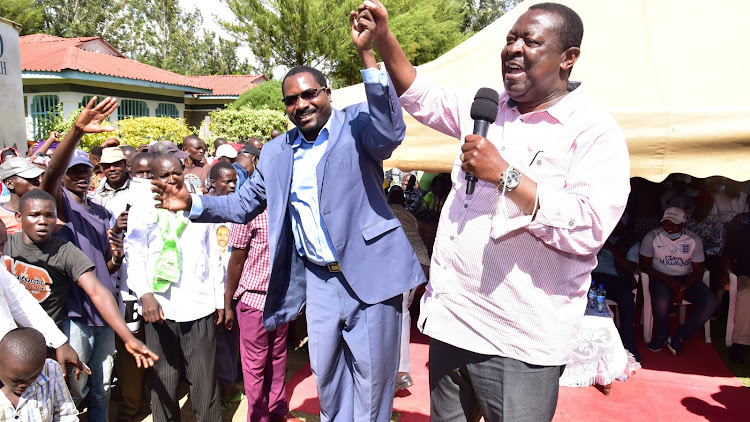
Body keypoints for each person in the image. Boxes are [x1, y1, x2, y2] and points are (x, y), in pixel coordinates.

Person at [358, 1, 630, 420]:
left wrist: (506, 175)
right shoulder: (488, 107)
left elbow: (588, 227)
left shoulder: (594, 131)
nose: (514, 48)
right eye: (510, 39)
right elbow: (421, 95)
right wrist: (384, 39)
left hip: (520, 342)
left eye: (531, 41)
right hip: (452, 322)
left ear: (568, 58)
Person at [153, 14, 425, 422]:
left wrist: (366, 52)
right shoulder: (278, 151)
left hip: (370, 275)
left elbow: (390, 132)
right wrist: (192, 205)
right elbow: (242, 205)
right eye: (291, 100)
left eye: (309, 94)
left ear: (327, 93)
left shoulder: (357, 124)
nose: (301, 104)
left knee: (372, 383)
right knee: (328, 376)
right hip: (317, 280)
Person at [38, 97, 139, 420]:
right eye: (74, 172)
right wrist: (76, 132)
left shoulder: (101, 210)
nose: (81, 177)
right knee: (74, 386)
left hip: (105, 312)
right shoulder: (62, 205)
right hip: (77, 312)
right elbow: (50, 176)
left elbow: (105, 267)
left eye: (85, 171)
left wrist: (117, 257)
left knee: (103, 385)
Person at [127, 154, 225, 422]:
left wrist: (219, 300)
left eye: (175, 173)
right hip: (159, 307)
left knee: (204, 381)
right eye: (163, 175)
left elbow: (213, 253)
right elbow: (134, 252)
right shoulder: (143, 207)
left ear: (183, 172)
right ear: (153, 177)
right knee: (163, 380)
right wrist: (144, 294)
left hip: (198, 305)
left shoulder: (197, 203)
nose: (170, 179)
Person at [224, 209, 296, 422]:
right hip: (254, 301)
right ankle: (259, 417)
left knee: (276, 358)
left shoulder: (288, 208)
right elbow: (236, 260)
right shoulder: (247, 211)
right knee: (255, 365)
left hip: (280, 300)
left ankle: (276, 411)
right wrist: (228, 303)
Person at [640, 207, 716, 356]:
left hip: (685, 278)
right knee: (662, 300)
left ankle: (680, 337)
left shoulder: (693, 240)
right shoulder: (652, 237)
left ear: (684, 224)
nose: (669, 227)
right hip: (660, 275)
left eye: (674, 224)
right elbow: (644, 265)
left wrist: (681, 288)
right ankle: (661, 335)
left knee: (710, 302)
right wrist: (670, 282)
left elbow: (699, 270)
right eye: (666, 223)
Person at [386, 186, 431, 391]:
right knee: (403, 315)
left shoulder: (385, 211)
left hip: (403, 265)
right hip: (421, 265)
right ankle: (400, 371)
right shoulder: (409, 215)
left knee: (395, 317)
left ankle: (398, 372)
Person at [0, 327, 78, 421]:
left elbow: (67, 415)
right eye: (15, 380)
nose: (23, 385)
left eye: (33, 377)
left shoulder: (50, 369)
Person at [723, 194, 750, 363]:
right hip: (745, 273)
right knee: (747, 293)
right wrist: (724, 274)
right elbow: (728, 251)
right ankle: (741, 343)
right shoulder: (741, 221)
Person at [0, 157, 44, 234]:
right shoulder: (2, 218)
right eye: (30, 177)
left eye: (37, 177)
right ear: (9, 184)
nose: (38, 181)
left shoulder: (46, 210)